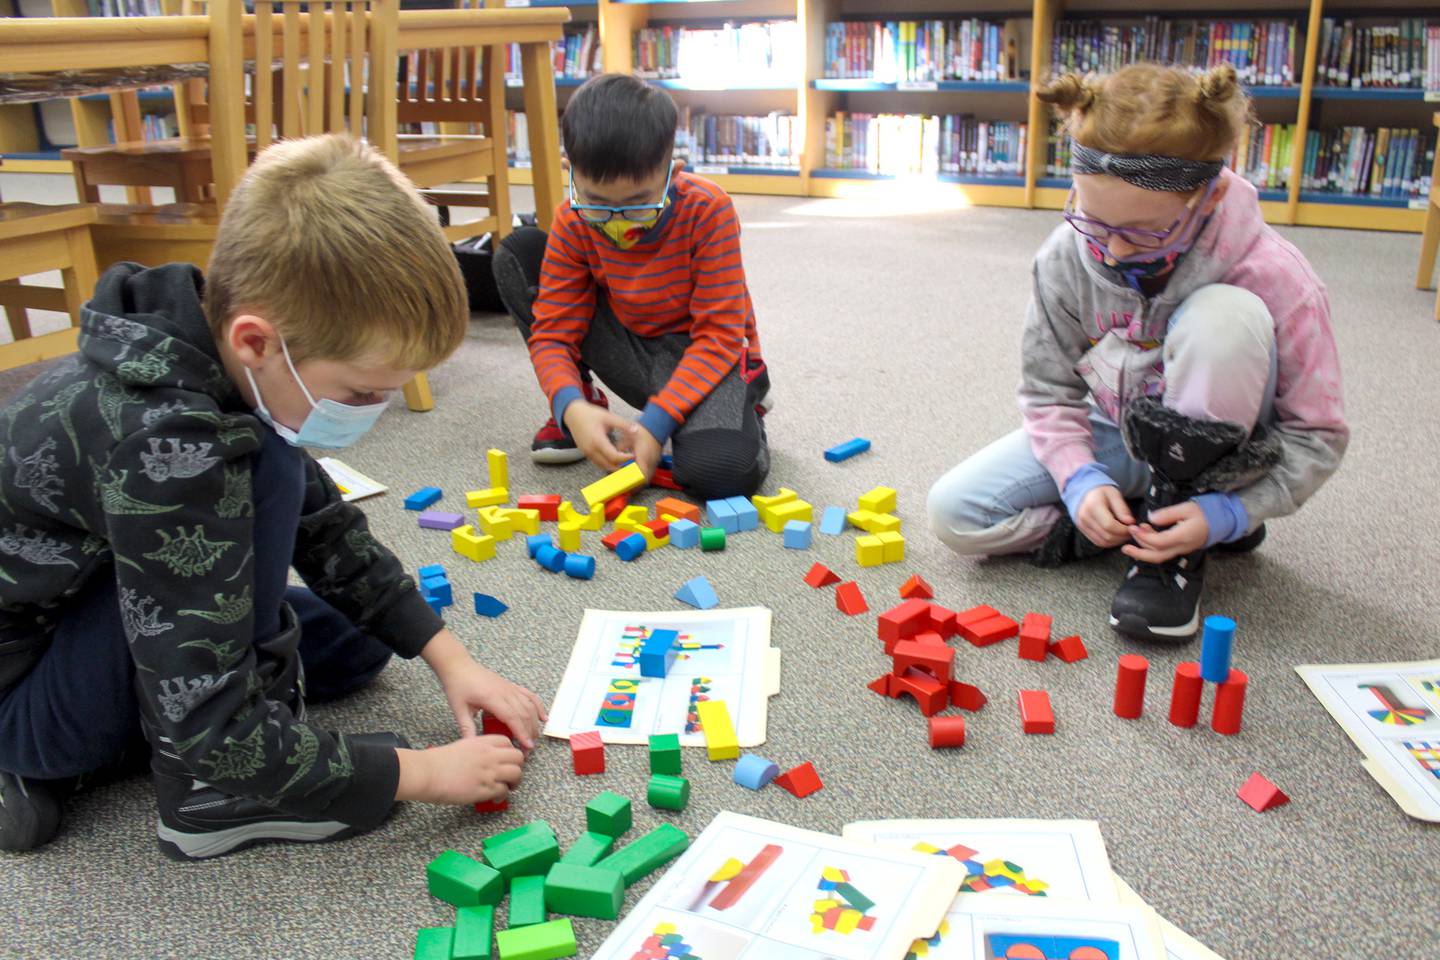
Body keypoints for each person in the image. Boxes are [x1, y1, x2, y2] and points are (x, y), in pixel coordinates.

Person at [0, 134, 546, 858]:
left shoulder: (207, 354)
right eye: (360, 392)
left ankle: (184, 743)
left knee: (354, 643)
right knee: (266, 475)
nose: (370, 412)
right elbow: (206, 718)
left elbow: (324, 529)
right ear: (257, 341)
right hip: (25, 688)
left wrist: (451, 658)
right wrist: (416, 774)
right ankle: (207, 799)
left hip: (108, 600)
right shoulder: (174, 447)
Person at [928, 63, 1348, 643]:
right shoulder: (1068, 255)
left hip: (1226, 444)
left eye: (1144, 231)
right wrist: (1078, 483)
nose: (1113, 249)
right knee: (956, 515)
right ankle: (1149, 517)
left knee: (1224, 316)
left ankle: (1186, 529)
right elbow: (1048, 391)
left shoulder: (1278, 277)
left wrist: (1230, 508)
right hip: (1115, 426)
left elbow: (1318, 435)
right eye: (1093, 220)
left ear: (1211, 194)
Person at [493, 73, 771, 499]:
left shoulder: (708, 209)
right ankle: (588, 405)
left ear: (672, 174)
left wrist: (656, 423)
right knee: (518, 253)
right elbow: (553, 332)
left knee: (720, 474)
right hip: (629, 345)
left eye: (639, 203)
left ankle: (746, 397)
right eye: (599, 204)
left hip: (706, 352)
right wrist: (570, 406)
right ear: (571, 174)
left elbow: (718, 335)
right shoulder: (572, 219)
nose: (619, 222)